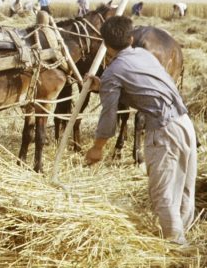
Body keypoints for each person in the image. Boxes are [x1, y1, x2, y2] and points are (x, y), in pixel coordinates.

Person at [84, 16, 198, 247]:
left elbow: (109, 116)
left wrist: (97, 148)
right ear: (132, 38)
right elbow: (143, 86)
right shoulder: (144, 55)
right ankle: (181, 237)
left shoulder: (113, 72)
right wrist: (103, 86)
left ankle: (177, 247)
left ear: (105, 45)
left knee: (164, 194)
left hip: (163, 129)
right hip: (185, 123)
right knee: (184, 187)